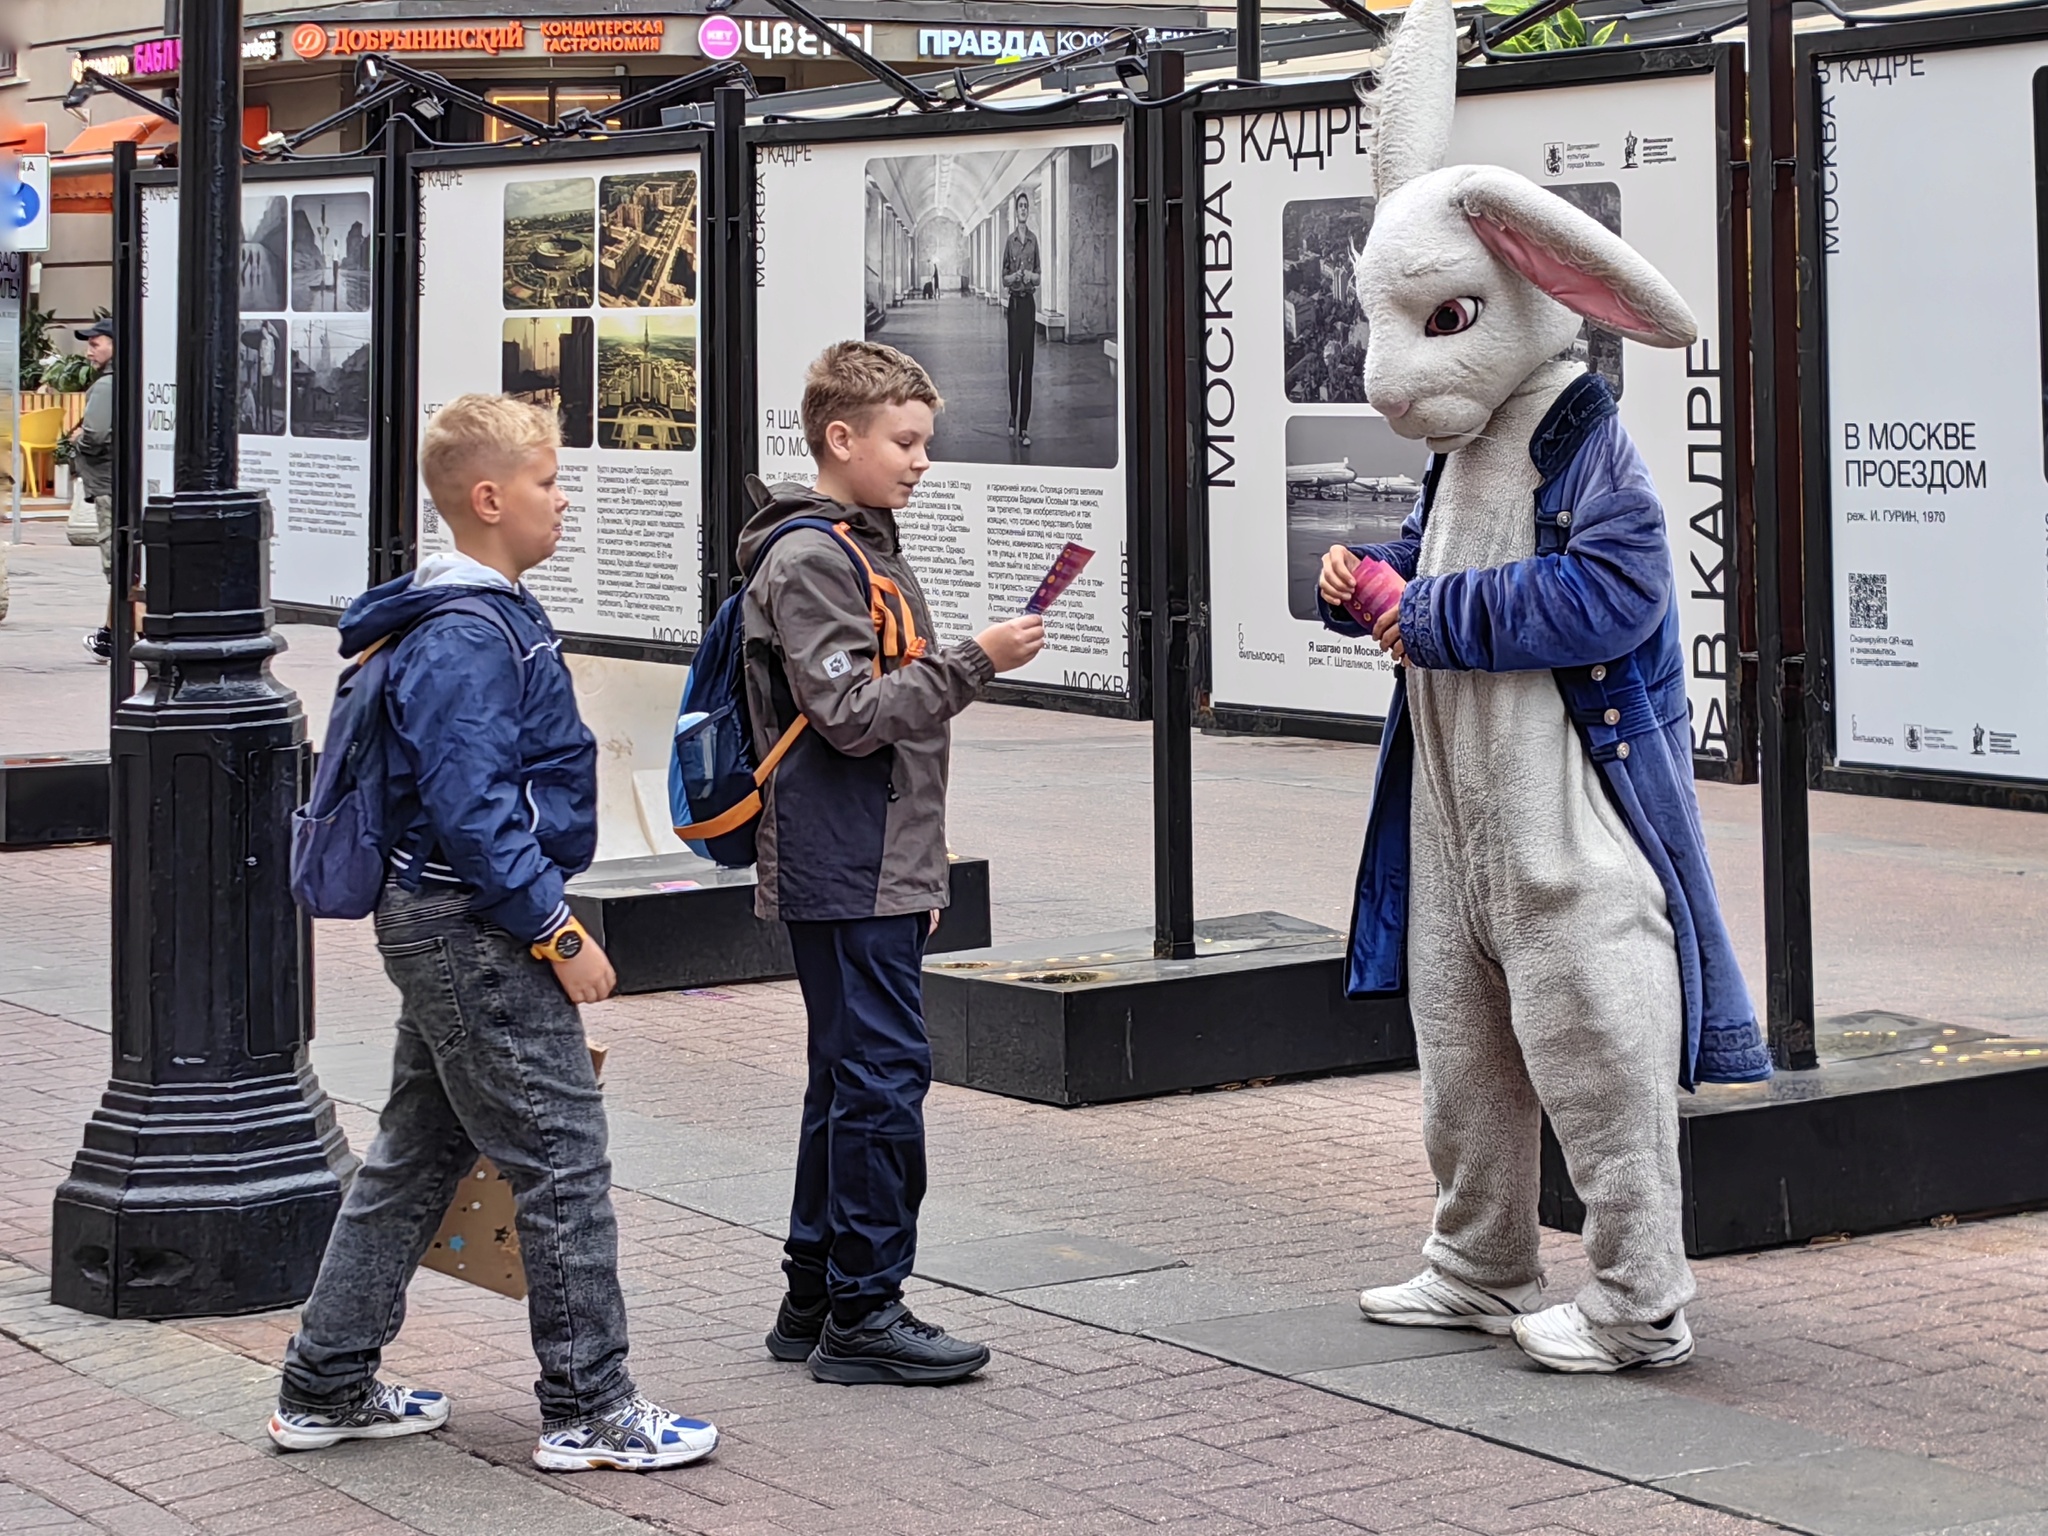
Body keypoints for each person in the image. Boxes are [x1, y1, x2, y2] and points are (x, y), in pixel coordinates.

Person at [269, 394, 718, 1471]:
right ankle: (590, 1408)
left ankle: (324, 1384)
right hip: (472, 927)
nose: (563, 500)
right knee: (562, 1159)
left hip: (447, 922)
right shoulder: (469, 634)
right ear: (488, 497)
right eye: (548, 481)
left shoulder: (464, 616)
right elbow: (473, 813)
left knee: (417, 1155)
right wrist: (556, 934)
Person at [743, 341, 1045, 1384]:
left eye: (924, 442)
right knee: (880, 1080)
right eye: (904, 442)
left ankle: (814, 1298)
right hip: (845, 858)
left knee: (847, 1077)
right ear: (841, 437)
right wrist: (973, 663)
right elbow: (853, 717)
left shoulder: (860, 546)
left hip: (869, 857)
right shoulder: (816, 558)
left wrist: (924, 860)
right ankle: (866, 1314)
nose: (922, 461)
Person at [70, 320, 117, 662]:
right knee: (127, 566)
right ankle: (111, 633)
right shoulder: (136, 378)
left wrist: (79, 441)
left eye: (96, 343)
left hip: (108, 482)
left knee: (118, 563)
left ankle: (124, 635)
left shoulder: (106, 386)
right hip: (126, 480)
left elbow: (96, 435)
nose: (89, 350)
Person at [1001, 190, 1040, 449]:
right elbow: (1003, 277)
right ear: (1016, 212)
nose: (1023, 209)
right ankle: (1013, 415)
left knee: (1028, 368)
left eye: (1026, 206)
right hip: (1014, 306)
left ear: (1029, 211)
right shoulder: (1011, 241)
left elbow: (1039, 275)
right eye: (1020, 206)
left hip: (1029, 306)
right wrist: (1015, 277)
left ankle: (1025, 425)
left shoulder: (1034, 241)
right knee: (1014, 365)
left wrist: (1030, 278)